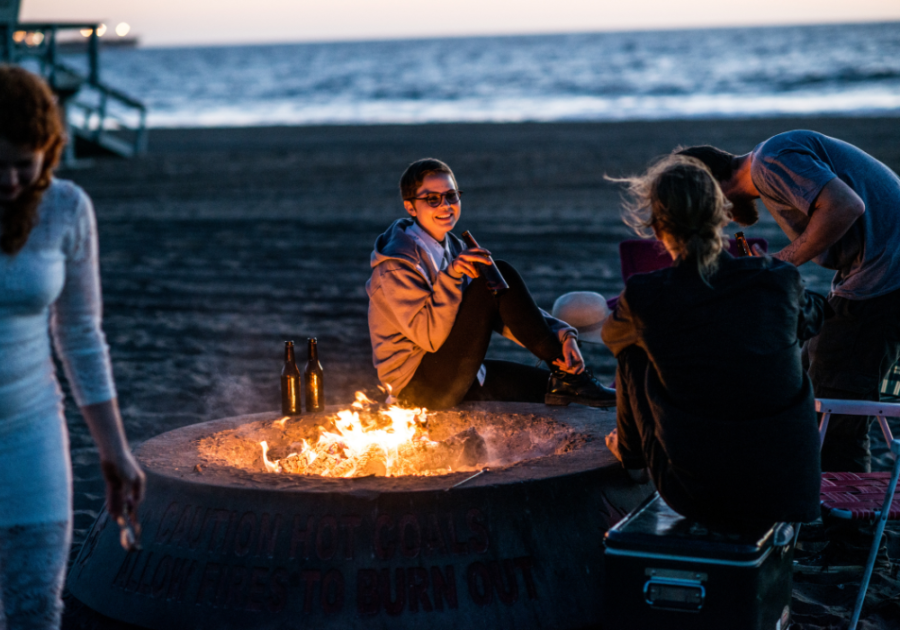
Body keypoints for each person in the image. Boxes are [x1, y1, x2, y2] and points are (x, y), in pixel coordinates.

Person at [601, 155, 828, 528]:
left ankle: (631, 460)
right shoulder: (777, 279)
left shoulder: (646, 295)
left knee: (633, 352)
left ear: (657, 228)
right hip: (790, 488)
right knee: (782, 336)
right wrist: (765, 276)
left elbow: (611, 336)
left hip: (700, 495)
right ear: (723, 216)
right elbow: (817, 315)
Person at [0, 66, 144, 629]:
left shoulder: (66, 209)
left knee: (36, 607)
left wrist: (114, 450)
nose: (11, 180)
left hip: (31, 434)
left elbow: (81, 335)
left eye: (24, 163)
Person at [677, 133, 900, 475]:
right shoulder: (773, 161)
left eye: (705, 211)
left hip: (884, 280)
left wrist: (778, 264)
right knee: (811, 375)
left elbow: (846, 206)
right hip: (872, 275)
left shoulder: (769, 161)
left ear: (710, 188)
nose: (716, 221)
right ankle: (825, 510)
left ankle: (844, 526)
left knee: (835, 414)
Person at [366, 157, 616, 410]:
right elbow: (430, 338)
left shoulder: (453, 246)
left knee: (556, 389)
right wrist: (451, 277)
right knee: (497, 271)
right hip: (419, 387)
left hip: (456, 371)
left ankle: (569, 376)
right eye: (433, 199)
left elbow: (506, 308)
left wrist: (563, 335)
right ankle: (574, 377)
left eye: (451, 196)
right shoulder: (396, 264)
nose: (446, 205)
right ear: (410, 207)